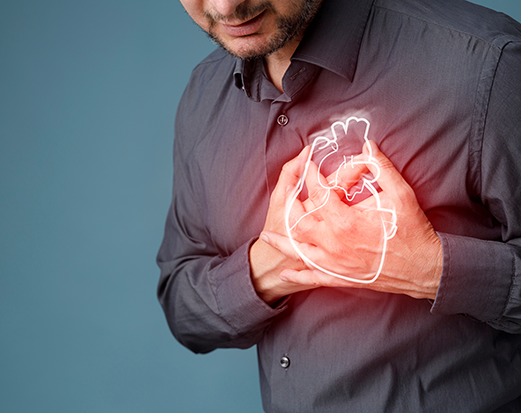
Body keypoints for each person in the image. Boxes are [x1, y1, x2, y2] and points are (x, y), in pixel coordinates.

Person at [157, 0, 521, 411]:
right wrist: (269, 266)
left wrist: (429, 268)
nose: (227, 6)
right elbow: (183, 309)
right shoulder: (202, 96)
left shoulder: (490, 65)